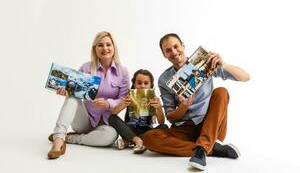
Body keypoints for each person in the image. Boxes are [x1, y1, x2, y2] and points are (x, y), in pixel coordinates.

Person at [143, 33, 250, 171]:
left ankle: (203, 147)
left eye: (176, 46)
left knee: (221, 92)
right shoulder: (164, 79)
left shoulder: (204, 63)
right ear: (164, 54)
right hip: (184, 129)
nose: (174, 52)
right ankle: (210, 149)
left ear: (183, 46)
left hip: (210, 125)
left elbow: (245, 77)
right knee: (149, 138)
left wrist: (223, 64)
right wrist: (183, 106)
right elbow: (171, 117)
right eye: (168, 50)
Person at [47, 31, 130, 159]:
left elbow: (124, 99)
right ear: (95, 48)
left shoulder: (123, 72)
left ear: (114, 47)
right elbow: (74, 92)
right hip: (84, 120)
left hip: (106, 124)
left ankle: (72, 139)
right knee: (73, 96)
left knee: (111, 136)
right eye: (100, 45)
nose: (105, 48)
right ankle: (58, 139)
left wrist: (109, 103)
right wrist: (66, 92)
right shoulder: (86, 68)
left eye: (108, 44)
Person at [108, 69, 168, 154]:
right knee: (111, 118)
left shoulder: (154, 99)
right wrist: (123, 104)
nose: (142, 86)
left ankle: (129, 141)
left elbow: (161, 122)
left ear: (151, 85)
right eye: (139, 83)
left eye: (146, 83)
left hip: (147, 130)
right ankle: (137, 140)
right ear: (134, 84)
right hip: (129, 129)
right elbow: (113, 113)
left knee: (164, 127)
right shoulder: (129, 96)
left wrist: (159, 108)